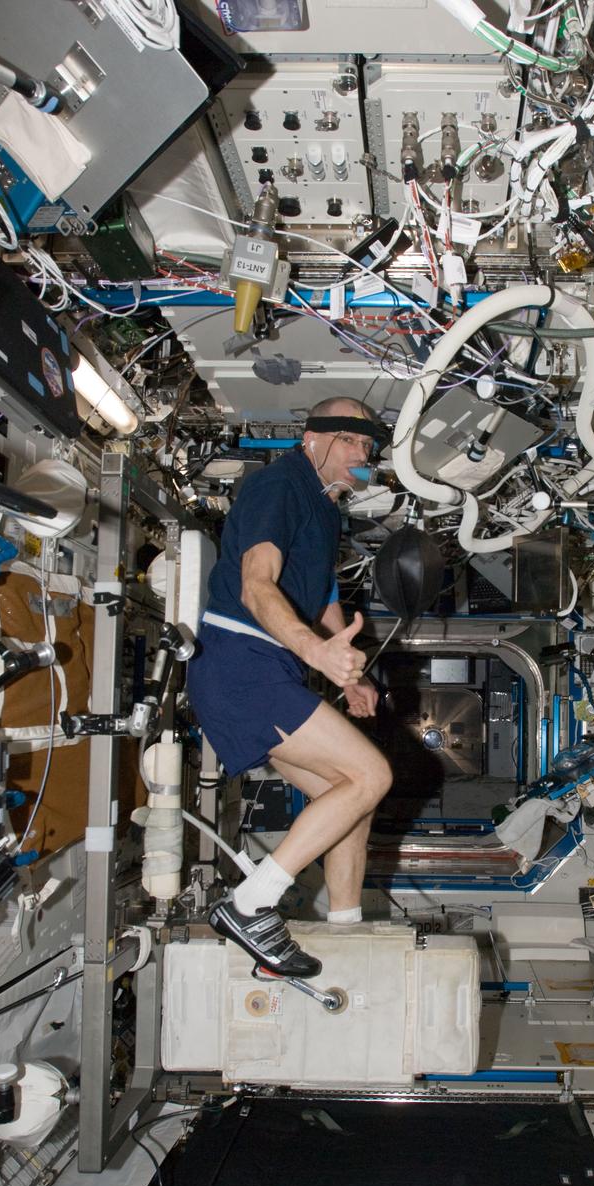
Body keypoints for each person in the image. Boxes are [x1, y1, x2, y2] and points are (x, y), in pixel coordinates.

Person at [187, 397, 393, 978]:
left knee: (353, 800)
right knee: (372, 774)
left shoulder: (327, 510)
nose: (362, 453)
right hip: (239, 661)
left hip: (266, 667)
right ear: (312, 438)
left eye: (367, 446)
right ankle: (249, 906)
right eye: (350, 441)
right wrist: (315, 654)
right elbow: (257, 588)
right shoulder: (276, 485)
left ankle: (346, 931)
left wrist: (350, 668)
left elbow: (323, 597)